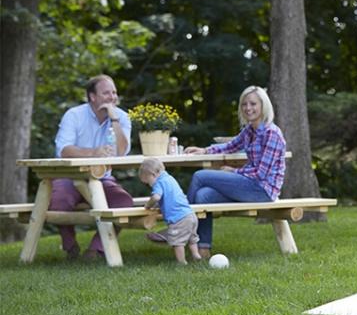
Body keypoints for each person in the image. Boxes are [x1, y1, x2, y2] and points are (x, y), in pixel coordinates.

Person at [147, 86, 286, 258]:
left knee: (200, 176)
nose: (248, 108)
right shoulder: (250, 131)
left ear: (263, 106)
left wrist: (234, 172)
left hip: (262, 190)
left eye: (253, 104)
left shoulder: (272, 134)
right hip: (248, 185)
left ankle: (178, 226)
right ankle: (203, 248)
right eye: (244, 104)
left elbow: (262, 174)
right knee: (203, 196)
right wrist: (205, 150)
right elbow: (230, 146)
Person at [50, 74, 134, 260]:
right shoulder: (74, 115)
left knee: (124, 204)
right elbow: (63, 149)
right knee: (59, 201)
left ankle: (96, 249)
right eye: (106, 93)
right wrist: (93, 153)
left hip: (102, 177)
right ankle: (70, 245)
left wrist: (114, 119)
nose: (112, 97)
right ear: (92, 97)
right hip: (70, 176)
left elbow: (122, 152)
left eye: (114, 92)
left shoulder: (121, 117)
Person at [139, 158, 202, 264]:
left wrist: (148, 205)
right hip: (190, 215)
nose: (149, 185)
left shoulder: (159, 183)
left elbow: (156, 197)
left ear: (153, 175)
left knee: (178, 242)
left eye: (148, 182)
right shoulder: (170, 179)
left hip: (179, 219)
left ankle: (182, 262)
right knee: (192, 238)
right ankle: (196, 255)